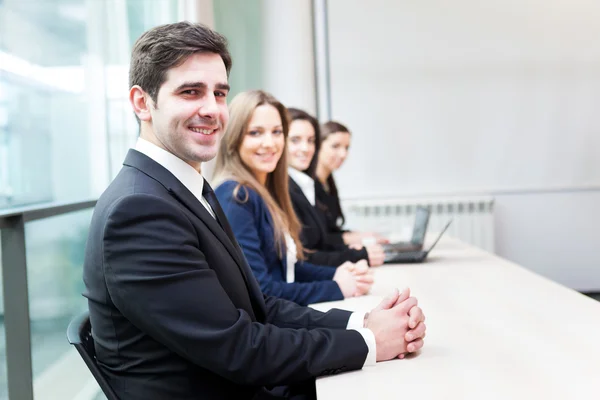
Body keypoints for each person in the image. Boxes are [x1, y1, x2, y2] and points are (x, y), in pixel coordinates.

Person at [82, 21, 426, 400]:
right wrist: (371, 343)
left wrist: (361, 321)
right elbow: (239, 349)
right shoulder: (139, 210)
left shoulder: (183, 190)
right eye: (190, 92)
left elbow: (258, 307)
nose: (212, 109)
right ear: (142, 103)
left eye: (219, 93)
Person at [212, 91, 373, 306]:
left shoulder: (262, 191)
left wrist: (336, 274)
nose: (269, 143)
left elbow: (287, 267)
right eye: (255, 133)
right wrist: (336, 287)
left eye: (277, 132)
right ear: (233, 138)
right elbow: (261, 291)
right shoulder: (236, 196)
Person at [286, 108, 384, 267]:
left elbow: (324, 235)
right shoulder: (298, 186)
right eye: (335, 146)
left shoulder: (324, 181)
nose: (343, 154)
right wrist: (355, 251)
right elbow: (309, 248)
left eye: (310, 140)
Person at [315, 121, 388, 248]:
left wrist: (359, 235)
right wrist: (351, 238)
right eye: (335, 146)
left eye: (346, 148)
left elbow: (331, 228)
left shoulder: (329, 181)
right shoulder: (308, 187)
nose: (343, 154)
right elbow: (319, 238)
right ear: (318, 146)